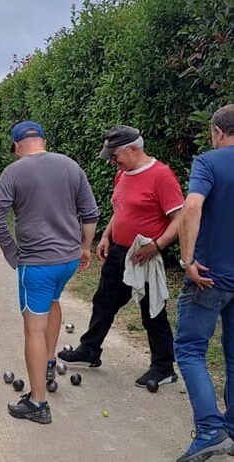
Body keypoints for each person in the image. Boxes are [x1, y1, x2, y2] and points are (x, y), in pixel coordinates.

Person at [0, 121, 99, 424]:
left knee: (32, 328)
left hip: (36, 264)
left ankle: (38, 403)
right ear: (43, 140)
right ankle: (49, 362)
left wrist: (13, 253)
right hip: (67, 261)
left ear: (16, 146)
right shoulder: (71, 166)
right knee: (53, 303)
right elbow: (90, 214)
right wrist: (85, 247)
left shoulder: (13, 172)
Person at [58, 125, 184, 389]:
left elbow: (179, 218)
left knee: (152, 312)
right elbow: (121, 209)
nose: (113, 161)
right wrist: (106, 235)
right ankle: (90, 350)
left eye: (115, 155)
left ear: (133, 148)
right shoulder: (122, 174)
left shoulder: (161, 176)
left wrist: (157, 246)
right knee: (103, 300)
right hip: (119, 252)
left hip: (144, 255)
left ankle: (163, 367)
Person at [174, 104, 234, 462]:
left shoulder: (208, 162)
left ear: (216, 131)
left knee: (190, 349)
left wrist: (187, 259)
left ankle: (211, 431)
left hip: (209, 278)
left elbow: (192, 206)